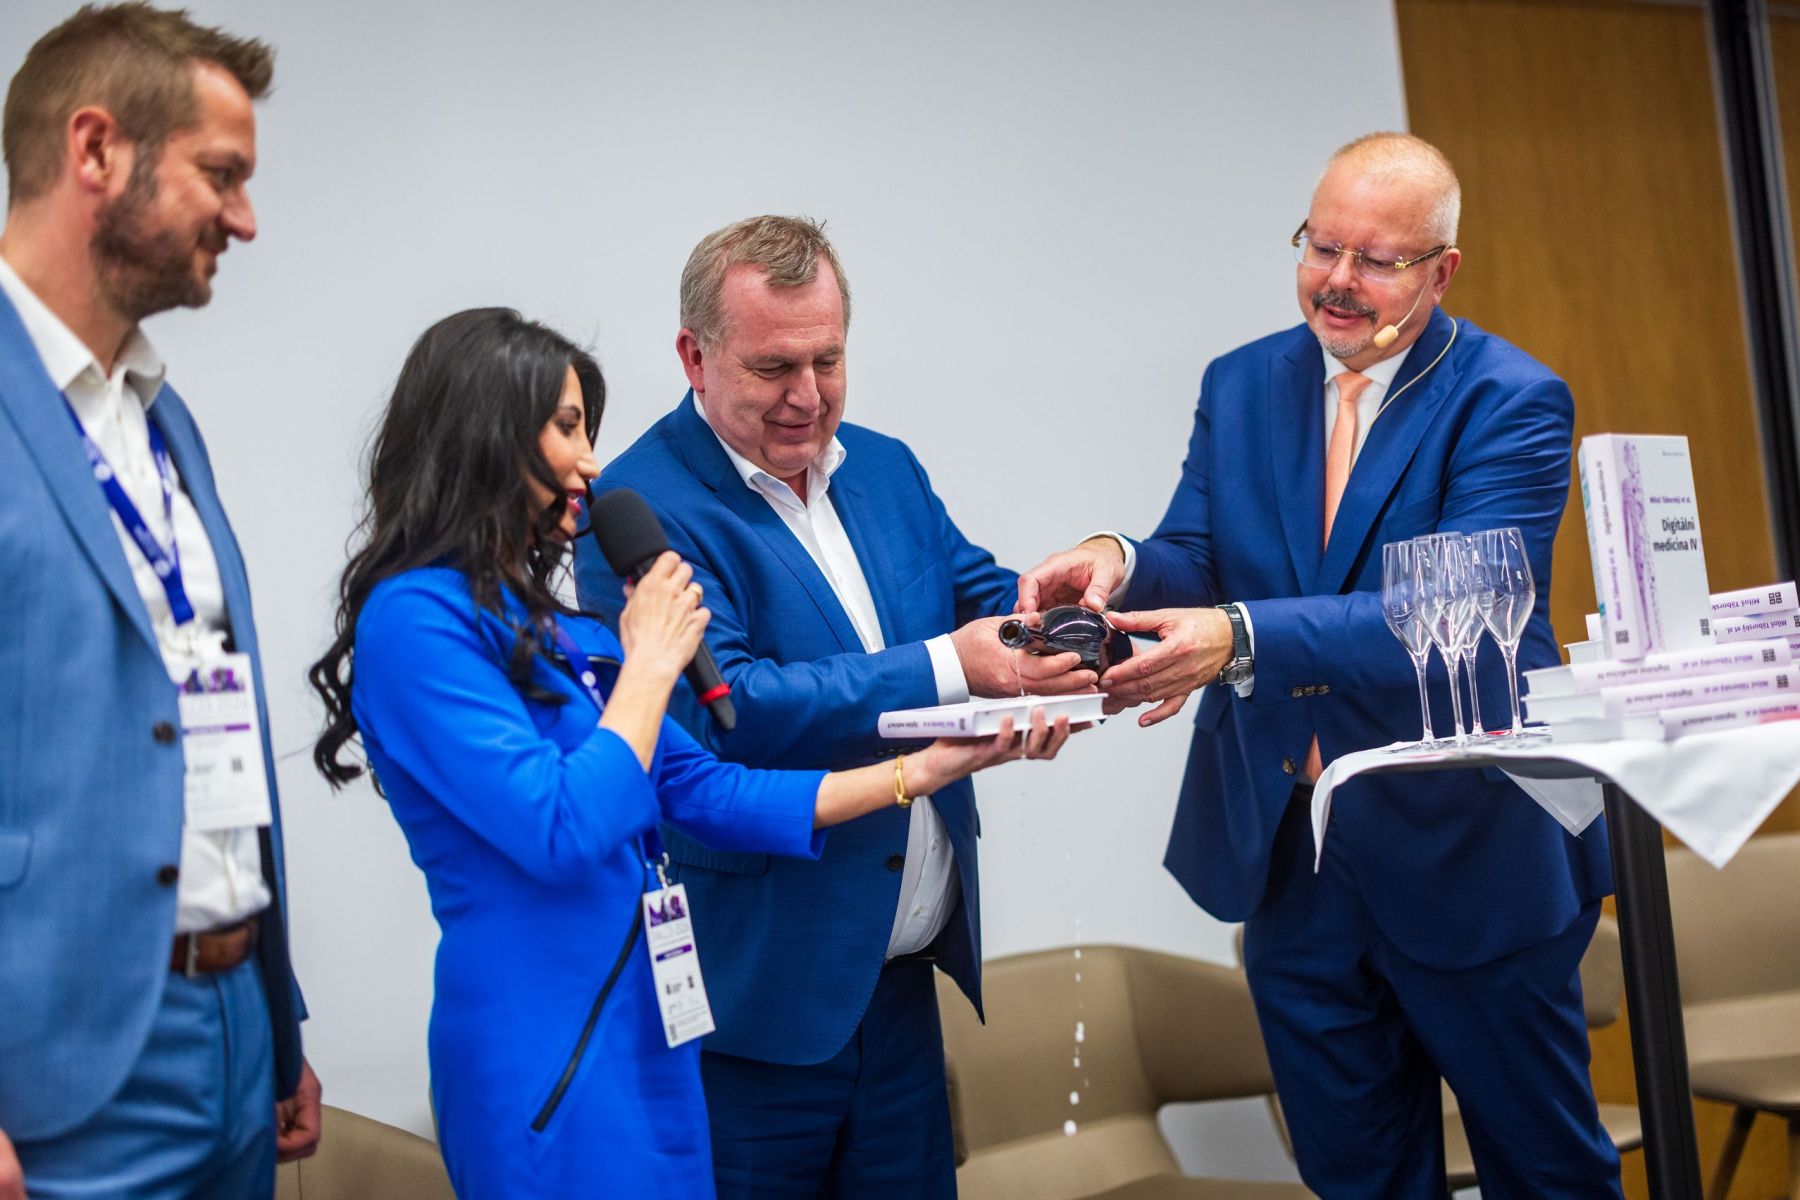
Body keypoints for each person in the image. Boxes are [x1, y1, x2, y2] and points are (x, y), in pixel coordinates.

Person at [307, 307, 1072, 1197]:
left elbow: (709, 790)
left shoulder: (551, 629)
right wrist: (651, 663)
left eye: (586, 429)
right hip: (546, 1040)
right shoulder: (414, 621)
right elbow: (561, 827)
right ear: (485, 435)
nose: (591, 462)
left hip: (654, 1022)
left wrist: (921, 771)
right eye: (565, 428)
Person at [1018, 133, 1621, 1198]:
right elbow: (1200, 550)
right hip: (1289, 852)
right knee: (1355, 1177)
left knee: (1545, 1174)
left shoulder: (1509, 400)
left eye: (1377, 259)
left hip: (1464, 845)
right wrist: (1119, 559)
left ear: (1442, 271)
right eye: (1321, 245)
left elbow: (1451, 607)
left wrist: (1240, 637)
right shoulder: (1245, 381)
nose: (1338, 279)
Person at [573, 214, 1092, 1198]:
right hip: (755, 1011)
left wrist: (1084, 635)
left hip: (901, 990)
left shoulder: (886, 467)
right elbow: (733, 706)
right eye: (773, 367)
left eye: (828, 359)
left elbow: (985, 603)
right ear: (694, 356)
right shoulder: (637, 508)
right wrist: (954, 666)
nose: (808, 396)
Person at [0, 5, 320, 1198]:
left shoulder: (161, 417)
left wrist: (274, 1015)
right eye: (221, 175)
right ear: (96, 150)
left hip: (232, 1032)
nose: (245, 217)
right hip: (55, 1070)